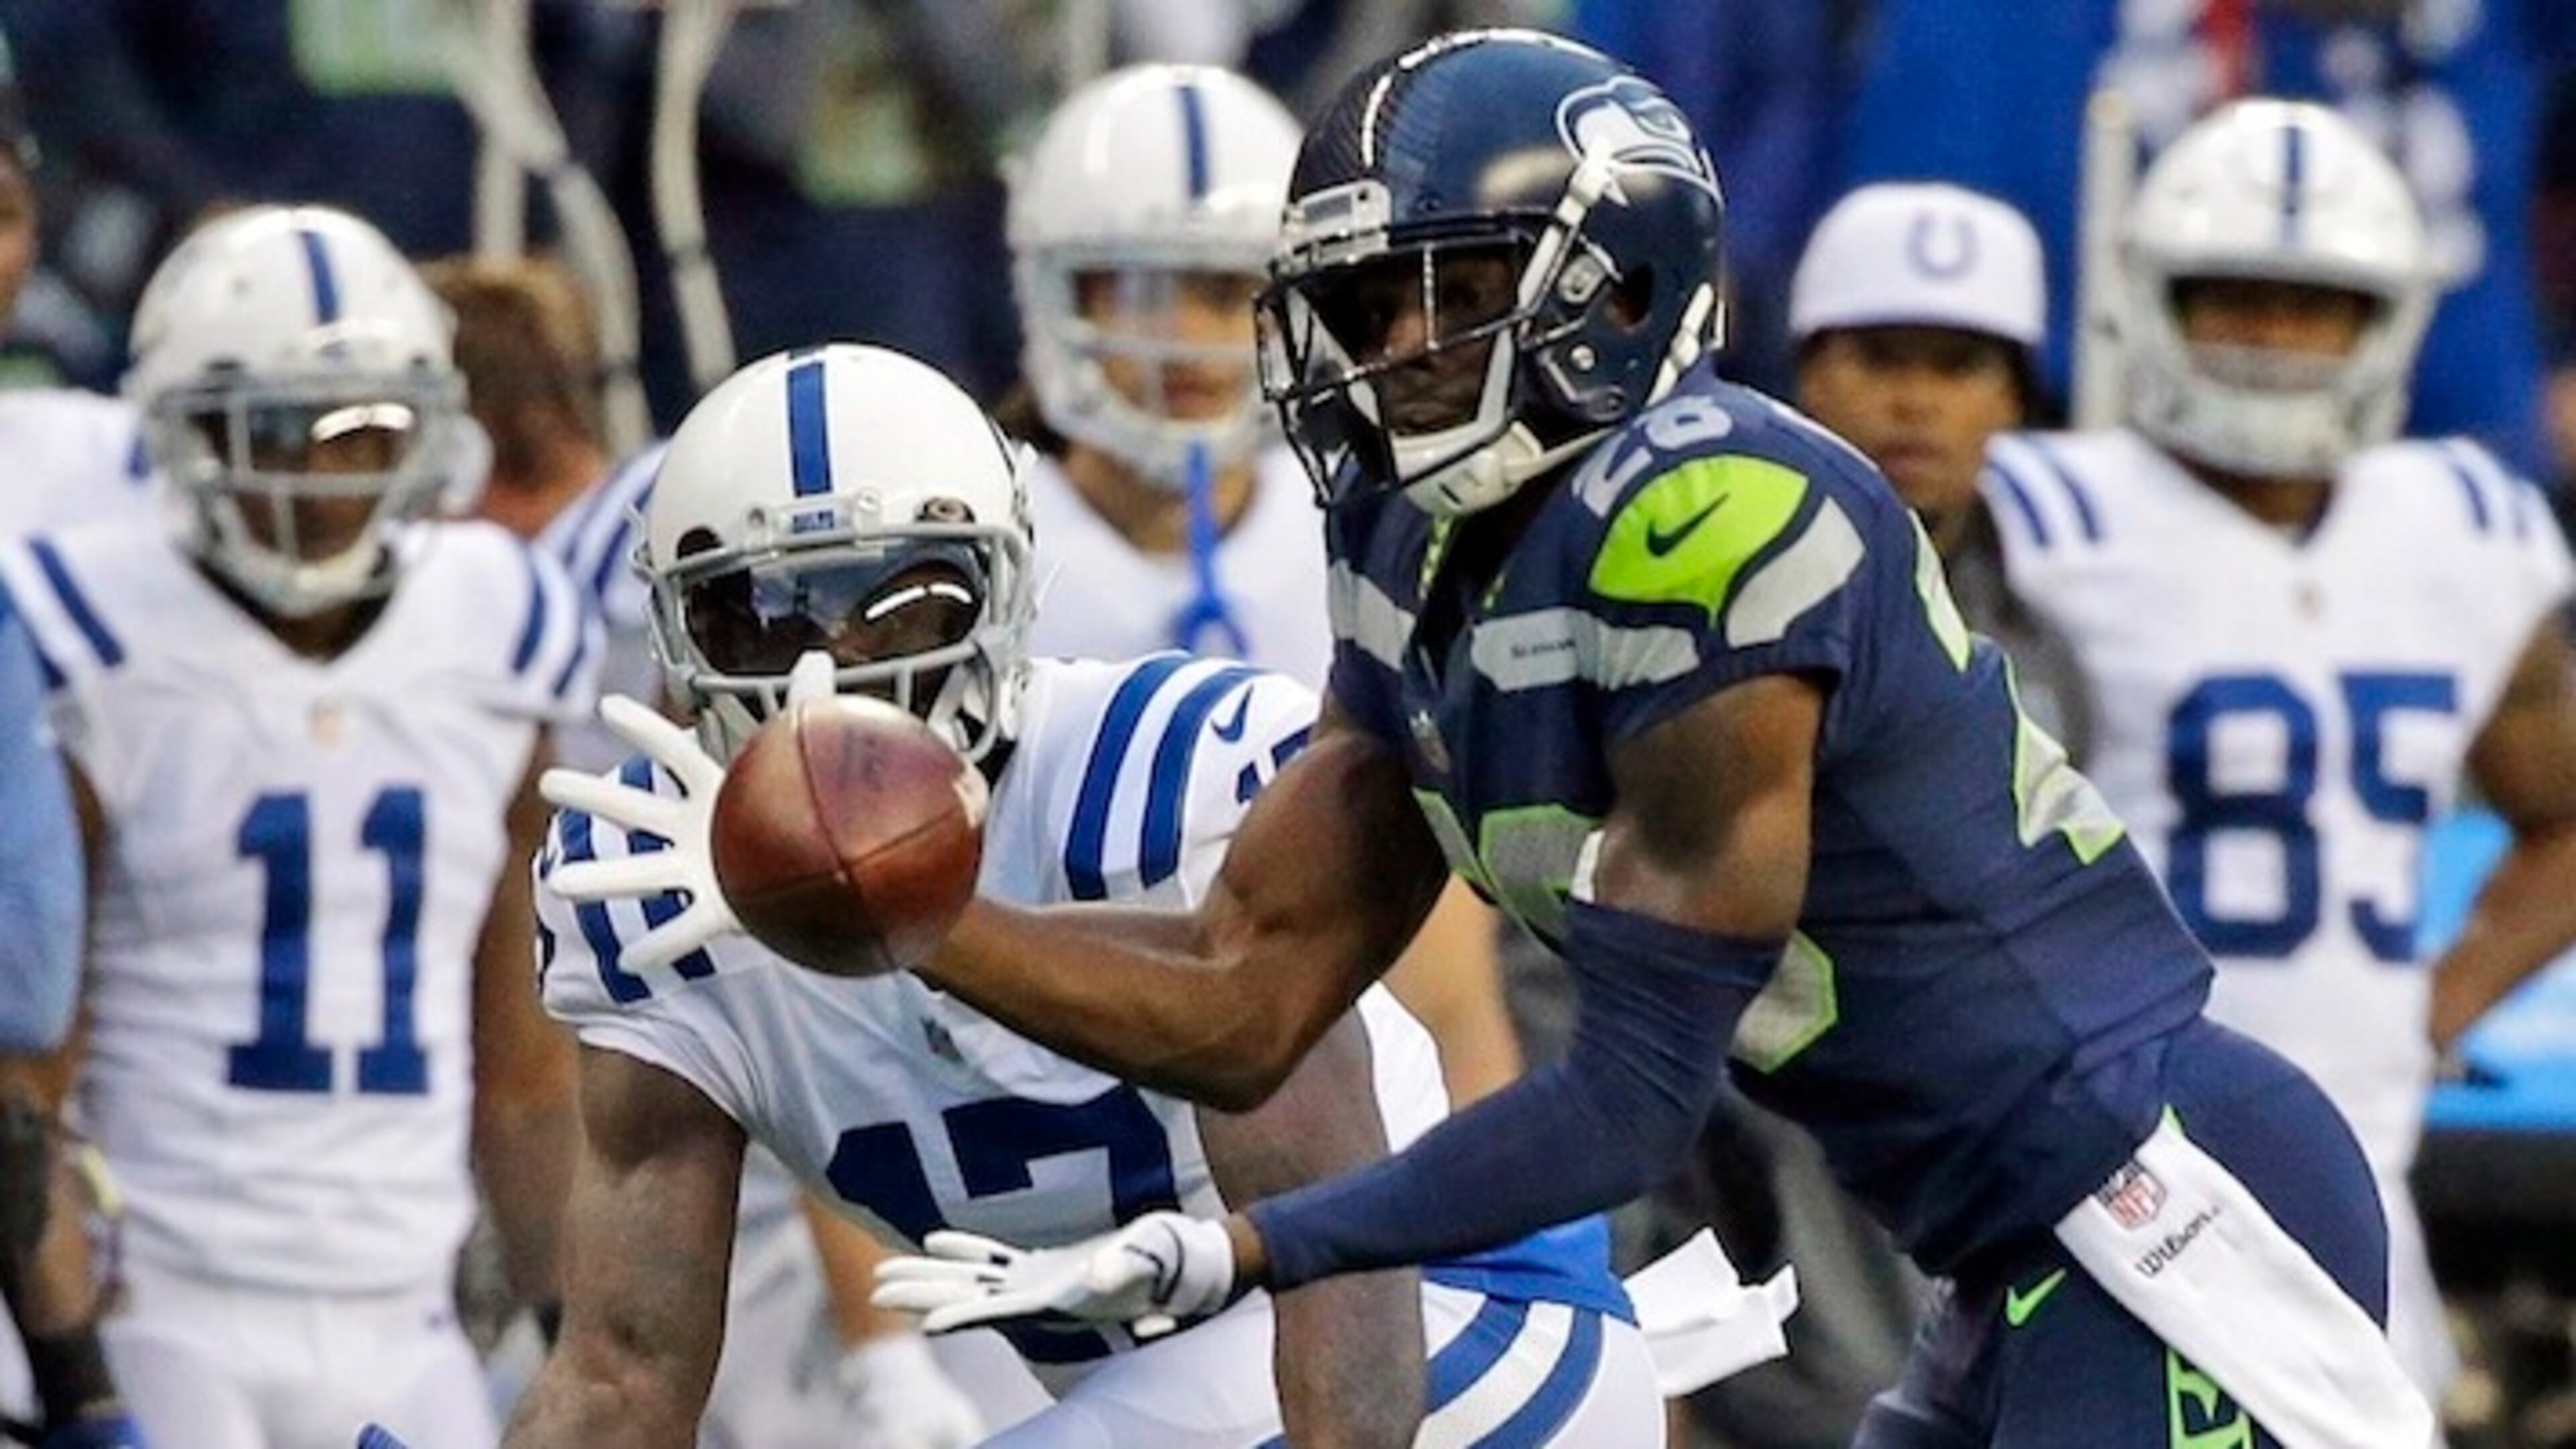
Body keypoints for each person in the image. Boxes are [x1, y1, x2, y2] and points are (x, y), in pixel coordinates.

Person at [555, 31, 2438, 1445]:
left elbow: (1623, 1100)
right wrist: (906, 924)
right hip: (1989, 1240)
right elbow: (1244, 989)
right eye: (1350, 303)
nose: (1368, 350)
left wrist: (1252, 1254)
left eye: (1426, 297)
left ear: (1611, 291)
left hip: (2160, 1202)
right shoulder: (1409, 536)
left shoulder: (1726, 529)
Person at [514, 341, 1658, 1446]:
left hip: (1461, 1326)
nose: (832, 671)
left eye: (904, 605)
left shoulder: (1160, 778)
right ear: (676, 633)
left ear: (1008, 586)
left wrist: (897, 912)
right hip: (1167, 1392)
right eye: (757, 617)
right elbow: (622, 1373)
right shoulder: (647, 890)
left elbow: (1340, 1275)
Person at [1975, 98, 2576, 1409]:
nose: (2271, 335)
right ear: (2154, 299)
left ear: (2387, 317)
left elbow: (2566, 824)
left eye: (2312, 303)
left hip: (2358, 1172)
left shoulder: (2467, 526)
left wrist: (2430, 1010)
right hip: (2107, 1160)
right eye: (2232, 295)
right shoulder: (2045, 518)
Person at [0, 205, 591, 1449]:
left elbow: (529, 1086)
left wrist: (594, 1356)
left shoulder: (499, 629)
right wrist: (79, 1386)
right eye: (276, 430)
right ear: (177, 429)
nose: (322, 477)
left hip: (407, 1314)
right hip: (160, 1303)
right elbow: (25, 1088)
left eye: (365, 427)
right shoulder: (83, 634)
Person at [1002, 59, 1524, 1110]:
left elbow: (1447, 973)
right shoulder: (983, 529)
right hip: (1030, 1061)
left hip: (1334, 1051)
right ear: (1056, 288)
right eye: (1139, 286)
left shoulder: (1375, 515)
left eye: (1224, 292)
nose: (1185, 340)